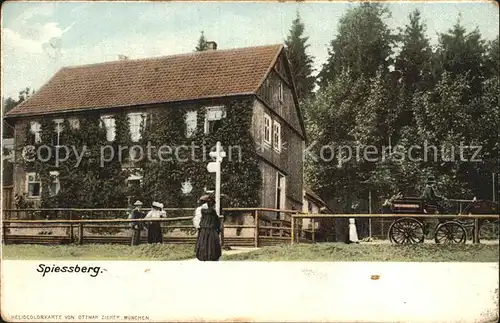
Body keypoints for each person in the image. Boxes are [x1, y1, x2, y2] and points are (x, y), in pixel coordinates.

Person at [195, 195, 222, 261]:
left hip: (204, 229)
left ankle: (202, 255)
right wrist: (218, 228)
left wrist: (200, 226)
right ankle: (212, 255)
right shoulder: (213, 211)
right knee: (211, 243)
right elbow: (216, 220)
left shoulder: (202, 211)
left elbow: (201, 220)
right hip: (211, 229)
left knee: (203, 242)